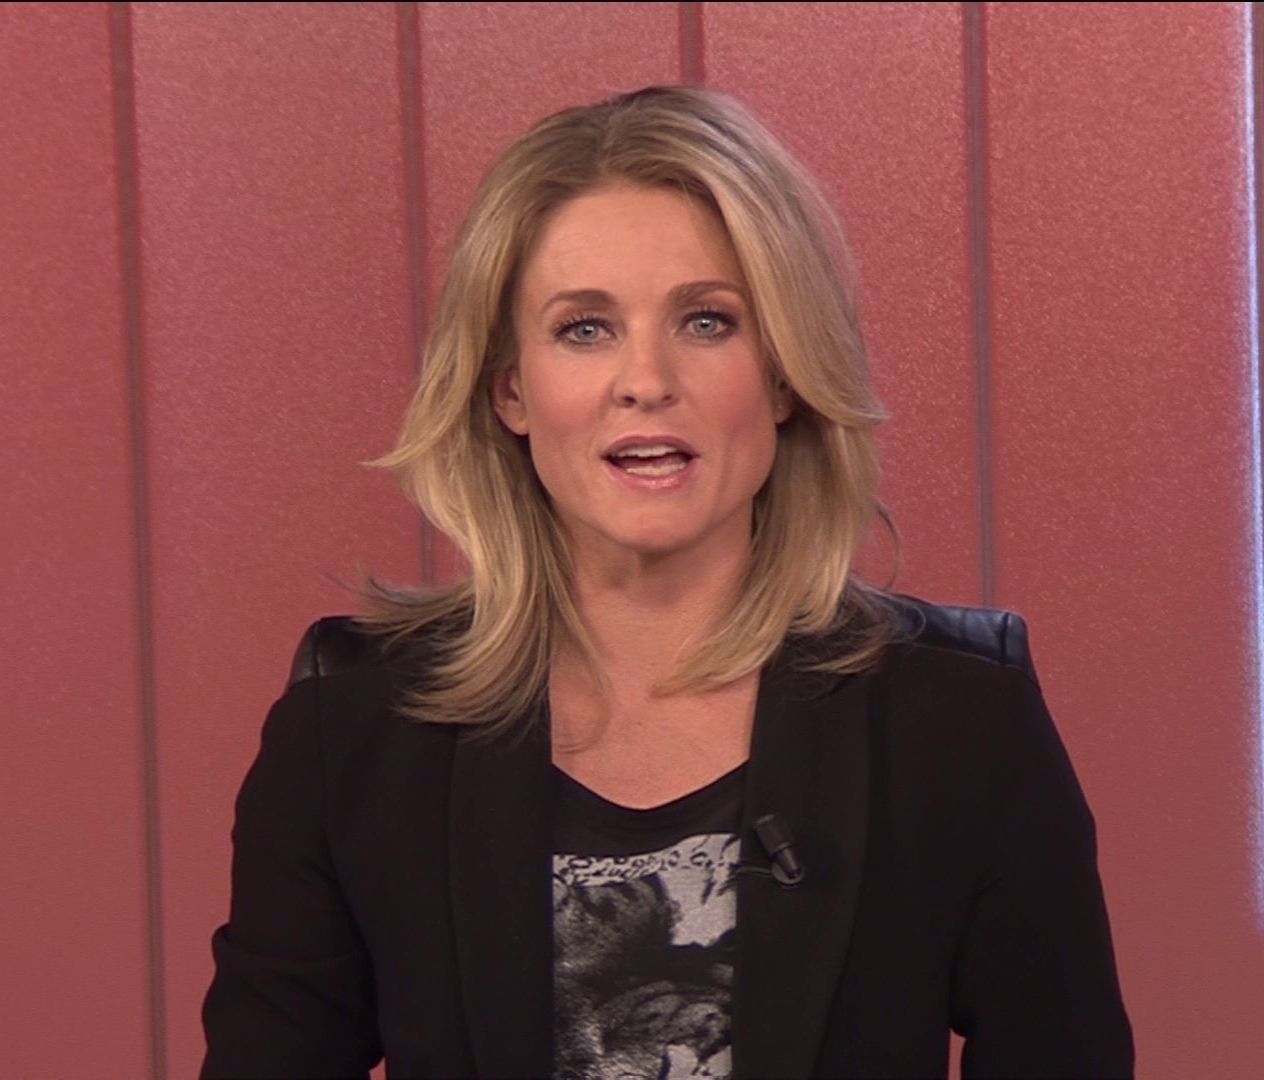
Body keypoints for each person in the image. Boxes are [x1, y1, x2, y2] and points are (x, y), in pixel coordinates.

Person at [200, 84, 1133, 1080]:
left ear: (783, 375)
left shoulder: (963, 717)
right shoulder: (348, 731)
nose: (646, 381)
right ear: (510, 389)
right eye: (584, 329)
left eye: (706, 321)